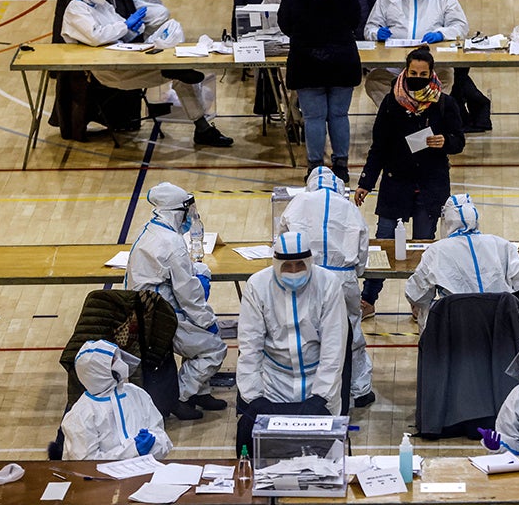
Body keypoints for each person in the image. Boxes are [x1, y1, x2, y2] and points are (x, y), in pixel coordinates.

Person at [62, 0, 234, 147]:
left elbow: (121, 33)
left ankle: (200, 122)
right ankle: (202, 128)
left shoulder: (103, 6)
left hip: (124, 57)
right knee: (179, 74)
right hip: (108, 70)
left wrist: (134, 27)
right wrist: (126, 26)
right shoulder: (76, 9)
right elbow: (96, 36)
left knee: (172, 34)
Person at [354, 46, 466, 319]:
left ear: (432, 74)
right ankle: (368, 299)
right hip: (396, 185)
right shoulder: (392, 103)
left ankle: (421, 302)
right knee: (383, 244)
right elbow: (378, 146)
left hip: (430, 186)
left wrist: (445, 142)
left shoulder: (444, 103)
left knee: (424, 249)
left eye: (423, 73)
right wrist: (366, 182)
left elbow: (458, 141)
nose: (418, 77)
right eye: (413, 72)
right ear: (406, 71)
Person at [235, 231, 349, 453]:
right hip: (273, 386)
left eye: (300, 265)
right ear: (277, 263)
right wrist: (254, 397)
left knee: (322, 462)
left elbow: (333, 349)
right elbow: (249, 348)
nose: (294, 271)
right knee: (272, 458)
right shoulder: (257, 286)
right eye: (287, 266)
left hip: (320, 385)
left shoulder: (328, 284)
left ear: (309, 262)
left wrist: (321, 397)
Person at [125, 182, 229, 420]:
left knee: (200, 342)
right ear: (177, 212)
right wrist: (207, 320)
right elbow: (188, 294)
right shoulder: (172, 244)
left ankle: (199, 393)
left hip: (149, 309)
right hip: (161, 315)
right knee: (214, 348)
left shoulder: (152, 229)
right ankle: (180, 396)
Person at [280, 167, 375, 407]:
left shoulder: (298, 202)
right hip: (343, 279)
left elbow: (281, 240)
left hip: (306, 277)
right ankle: (359, 389)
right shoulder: (350, 208)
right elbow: (362, 249)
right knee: (350, 331)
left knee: (305, 331)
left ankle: (307, 389)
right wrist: (357, 272)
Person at [278, 0, 362, 181]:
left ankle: (315, 168)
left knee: (313, 118)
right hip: (342, 59)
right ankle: (341, 167)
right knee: (339, 115)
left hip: (307, 60)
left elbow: (285, 23)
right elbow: (355, 18)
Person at [405, 193, 519, 331]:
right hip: (501, 331)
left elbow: (415, 294)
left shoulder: (436, 251)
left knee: (428, 314)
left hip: (456, 333)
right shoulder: (502, 245)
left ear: (446, 220)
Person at [363, 0, 469, 106]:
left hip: (432, 62)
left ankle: (428, 116)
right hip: (394, 62)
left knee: (446, 77)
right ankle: (397, 115)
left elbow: (461, 26)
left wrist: (441, 34)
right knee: (374, 81)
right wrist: (376, 33)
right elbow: (370, 28)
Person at [61, 339, 173, 460]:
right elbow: (85, 464)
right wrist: (133, 451)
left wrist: (153, 444)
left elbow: (163, 438)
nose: (120, 362)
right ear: (98, 371)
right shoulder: (81, 414)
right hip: (106, 478)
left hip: (146, 472)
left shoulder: (136, 393)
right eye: (113, 360)